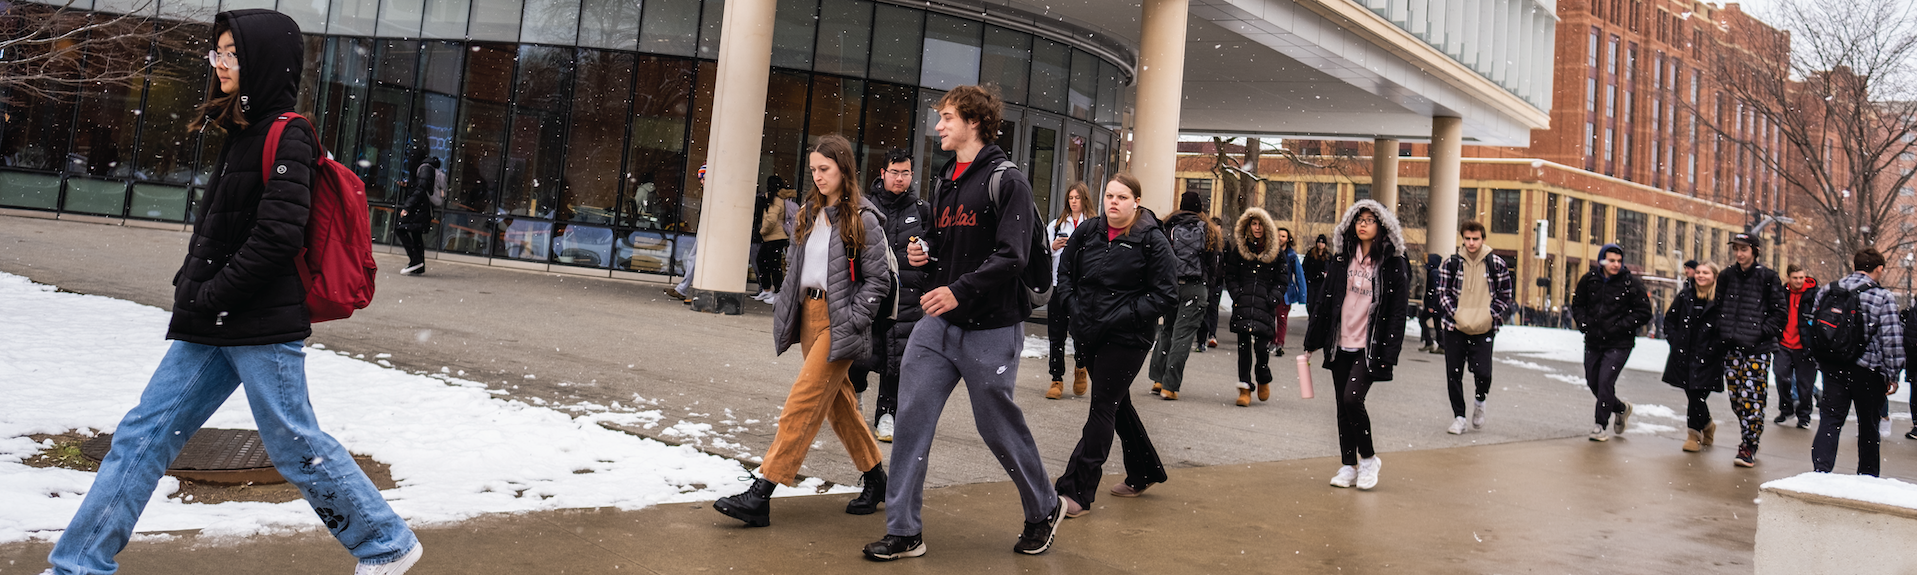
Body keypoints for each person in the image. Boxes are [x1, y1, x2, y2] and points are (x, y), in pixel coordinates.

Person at [47, 10, 425, 575]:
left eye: (231, 53)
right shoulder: (244, 129)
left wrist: (214, 290)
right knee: (142, 438)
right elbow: (226, 231)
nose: (220, 64)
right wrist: (195, 287)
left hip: (260, 322)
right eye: (216, 53)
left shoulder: (286, 132)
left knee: (295, 444)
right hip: (214, 320)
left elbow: (277, 235)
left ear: (263, 61)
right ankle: (77, 565)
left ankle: (386, 544)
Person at [865, 85, 1062, 561]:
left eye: (948, 117)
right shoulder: (944, 179)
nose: (939, 126)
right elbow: (941, 247)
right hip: (937, 326)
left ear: (974, 122)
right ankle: (904, 530)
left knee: (996, 425)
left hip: (991, 327)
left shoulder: (1006, 180)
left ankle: (1043, 507)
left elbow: (1012, 257)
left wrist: (958, 289)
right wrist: (924, 254)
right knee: (910, 418)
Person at [712, 135, 891, 527]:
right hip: (809, 315)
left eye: (824, 169)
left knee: (803, 401)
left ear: (844, 168)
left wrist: (854, 319)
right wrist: (786, 309)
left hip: (839, 318)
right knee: (839, 406)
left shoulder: (864, 217)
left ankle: (763, 491)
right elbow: (794, 266)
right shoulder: (809, 212)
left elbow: (878, 281)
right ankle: (878, 479)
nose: (818, 175)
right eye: (813, 169)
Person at [1052, 173, 1175, 517]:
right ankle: (1144, 470)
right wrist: (1072, 305)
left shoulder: (1151, 239)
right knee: (1116, 404)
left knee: (1103, 405)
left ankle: (1075, 490)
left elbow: (1166, 294)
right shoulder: (1088, 232)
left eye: (1122, 197)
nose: (1113, 203)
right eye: (1109, 196)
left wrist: (1125, 314)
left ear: (1136, 201)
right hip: (1090, 331)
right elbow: (1066, 274)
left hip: (1127, 337)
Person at [1302, 200, 1409, 491]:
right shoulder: (1341, 259)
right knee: (1341, 407)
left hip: (1368, 346)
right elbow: (1325, 301)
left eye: (1370, 220)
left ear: (1382, 226)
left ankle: (1369, 458)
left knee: (1352, 399)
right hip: (1340, 343)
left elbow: (1398, 312)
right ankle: (1348, 464)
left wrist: (1389, 353)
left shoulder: (1393, 263)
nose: (1363, 224)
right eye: (1358, 219)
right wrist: (1312, 341)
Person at [850, 147, 932, 441]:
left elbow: (934, 252)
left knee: (897, 362)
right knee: (859, 355)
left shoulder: (922, 210)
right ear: (882, 173)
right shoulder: (865, 206)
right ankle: (855, 397)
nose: (900, 178)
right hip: (870, 295)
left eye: (905, 173)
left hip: (907, 298)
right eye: (894, 172)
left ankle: (887, 414)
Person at [1810, 248, 1903, 476]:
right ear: (1879, 268)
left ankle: (1821, 470)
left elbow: (1814, 328)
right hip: (1868, 371)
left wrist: (1821, 360)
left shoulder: (1828, 290)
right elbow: (1891, 339)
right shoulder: (1883, 297)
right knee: (1869, 426)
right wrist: (1893, 374)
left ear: (1855, 265)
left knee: (1830, 420)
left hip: (1833, 367)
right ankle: (1867, 476)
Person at [1713, 232, 1787, 467]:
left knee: (1752, 398)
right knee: (1737, 399)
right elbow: (1718, 306)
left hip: (1758, 349)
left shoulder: (1768, 277)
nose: (1739, 253)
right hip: (1731, 347)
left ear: (1754, 251)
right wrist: (1722, 330)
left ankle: (1748, 444)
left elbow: (1780, 313)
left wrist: (1760, 331)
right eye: (1736, 248)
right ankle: (1750, 433)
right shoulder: (1726, 276)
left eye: (1743, 249)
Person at [1434, 220, 1515, 434]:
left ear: (1483, 239)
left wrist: (1489, 315)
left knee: (1483, 372)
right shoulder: (1451, 263)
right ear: (1462, 238)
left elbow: (1505, 295)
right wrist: (1456, 314)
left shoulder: (1495, 263)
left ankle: (1480, 400)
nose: (1471, 243)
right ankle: (1459, 416)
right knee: (1454, 373)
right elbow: (1442, 293)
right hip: (1455, 327)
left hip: (1484, 328)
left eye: (1475, 239)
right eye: (1467, 238)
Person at [1571, 243, 1653, 442]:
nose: (1615, 264)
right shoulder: (1589, 280)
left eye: (1618, 261)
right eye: (1611, 260)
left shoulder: (1631, 283)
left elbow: (1644, 312)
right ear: (1602, 261)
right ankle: (1621, 408)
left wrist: (1620, 326)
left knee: (1605, 381)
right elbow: (1577, 304)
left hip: (1619, 343)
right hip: (1593, 341)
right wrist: (1584, 323)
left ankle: (1600, 425)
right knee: (1593, 382)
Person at [1146, 190, 1221, 402]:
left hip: (1170, 285)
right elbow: (1214, 262)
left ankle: (1158, 379)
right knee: (1183, 335)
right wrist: (1208, 284)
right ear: (1200, 208)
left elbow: (1158, 256)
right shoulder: (1209, 230)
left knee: (1167, 330)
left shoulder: (1167, 225)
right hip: (1195, 287)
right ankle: (1170, 386)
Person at [1219, 207, 1289, 406]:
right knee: (1243, 350)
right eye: (1254, 223)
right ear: (1249, 225)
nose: (1257, 228)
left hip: (1265, 307)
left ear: (1267, 226)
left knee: (1261, 348)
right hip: (1244, 305)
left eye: (1260, 224)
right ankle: (1244, 388)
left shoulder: (1276, 253)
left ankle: (1263, 377)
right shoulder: (1240, 250)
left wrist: (1273, 298)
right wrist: (1237, 294)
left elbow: (1282, 280)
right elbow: (1230, 275)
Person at [1663, 261, 1726, 452]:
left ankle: (1693, 434)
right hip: (1684, 354)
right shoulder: (1685, 295)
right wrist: (1676, 341)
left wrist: (1715, 347)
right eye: (1698, 272)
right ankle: (1706, 425)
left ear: (1714, 276)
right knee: (1693, 394)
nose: (1700, 275)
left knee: (1697, 395)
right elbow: (1670, 320)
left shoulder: (1721, 299)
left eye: (1705, 273)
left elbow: (1724, 327)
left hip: (1709, 357)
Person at [1046, 181, 1094, 399]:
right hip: (1058, 285)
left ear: (1085, 200)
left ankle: (1081, 368)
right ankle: (1056, 378)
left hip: (1082, 289)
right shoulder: (1056, 225)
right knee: (1056, 335)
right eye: (1071, 198)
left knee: (1080, 333)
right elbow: (1043, 252)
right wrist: (1053, 248)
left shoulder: (1094, 224)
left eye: (1078, 198)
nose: (1074, 202)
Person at [1774, 265, 1818, 429]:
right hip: (1784, 343)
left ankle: (1804, 416)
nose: (1799, 281)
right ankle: (1786, 409)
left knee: (1805, 384)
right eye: (1795, 278)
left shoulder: (1814, 294)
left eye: (1801, 277)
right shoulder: (1781, 293)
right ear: (1788, 278)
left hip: (1805, 346)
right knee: (1781, 376)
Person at [395, 150, 435, 276]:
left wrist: (407, 207)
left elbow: (421, 189)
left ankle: (415, 261)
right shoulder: (425, 167)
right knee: (416, 234)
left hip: (420, 207)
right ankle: (418, 264)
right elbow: (420, 187)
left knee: (400, 229)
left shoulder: (425, 168)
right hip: (421, 207)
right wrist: (408, 186)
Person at [752, 175, 790, 303]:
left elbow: (771, 219)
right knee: (767, 263)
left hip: (775, 237)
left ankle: (777, 292)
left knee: (772, 264)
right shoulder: (775, 199)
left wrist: (762, 231)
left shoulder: (776, 200)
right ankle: (768, 291)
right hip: (773, 237)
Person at [1274, 227, 1308, 356]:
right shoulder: (1270, 252)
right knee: (1270, 317)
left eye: (1283, 236)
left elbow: (1299, 276)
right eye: (1278, 235)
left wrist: (1303, 295)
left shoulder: (1292, 256)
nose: (1280, 238)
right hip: (1271, 290)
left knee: (1282, 318)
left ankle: (1280, 343)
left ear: (1287, 239)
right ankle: (1272, 340)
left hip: (1286, 292)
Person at [1199, 215, 1230, 351]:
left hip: (1217, 281)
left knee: (1213, 308)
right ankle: (1202, 336)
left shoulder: (1225, 244)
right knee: (1203, 308)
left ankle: (1212, 334)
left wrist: (1223, 275)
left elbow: (1228, 263)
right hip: (1206, 280)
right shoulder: (1206, 242)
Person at [1419, 253, 1443, 353]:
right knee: (1437, 324)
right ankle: (1441, 345)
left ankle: (1429, 342)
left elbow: (1434, 290)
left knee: (1422, 319)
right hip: (1437, 305)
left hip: (1434, 304)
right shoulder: (1435, 272)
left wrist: (1430, 305)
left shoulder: (1433, 273)